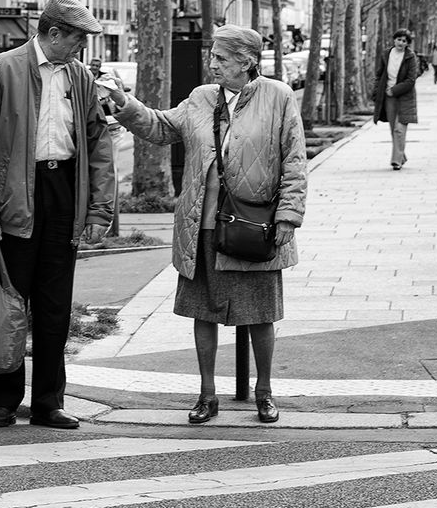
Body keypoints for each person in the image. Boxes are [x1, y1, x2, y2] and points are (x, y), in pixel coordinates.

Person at [102, 25, 307, 425]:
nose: (212, 64)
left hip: (255, 225)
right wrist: (123, 102)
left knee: (260, 313)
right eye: (212, 56)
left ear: (247, 62)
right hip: (203, 224)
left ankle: (264, 393)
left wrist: (288, 215)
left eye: (221, 58)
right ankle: (206, 394)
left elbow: (294, 160)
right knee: (205, 311)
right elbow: (160, 127)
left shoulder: (278, 96)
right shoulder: (200, 98)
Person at [0, 0, 116, 431]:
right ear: (53, 34)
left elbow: (99, 145)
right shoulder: (4, 69)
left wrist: (99, 211)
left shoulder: (79, 76)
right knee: (10, 305)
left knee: (54, 308)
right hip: (14, 199)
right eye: (76, 40)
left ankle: (49, 402)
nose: (80, 49)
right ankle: (4, 400)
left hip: (62, 192)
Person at [372, 29, 419, 170]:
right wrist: (376, 91)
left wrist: (394, 90)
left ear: (407, 43)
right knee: (394, 129)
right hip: (388, 97)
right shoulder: (386, 54)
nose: (401, 43)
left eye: (404, 41)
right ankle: (401, 155)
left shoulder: (411, 57)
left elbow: (411, 80)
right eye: (399, 39)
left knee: (400, 129)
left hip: (405, 97)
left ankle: (396, 161)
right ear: (394, 40)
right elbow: (379, 74)